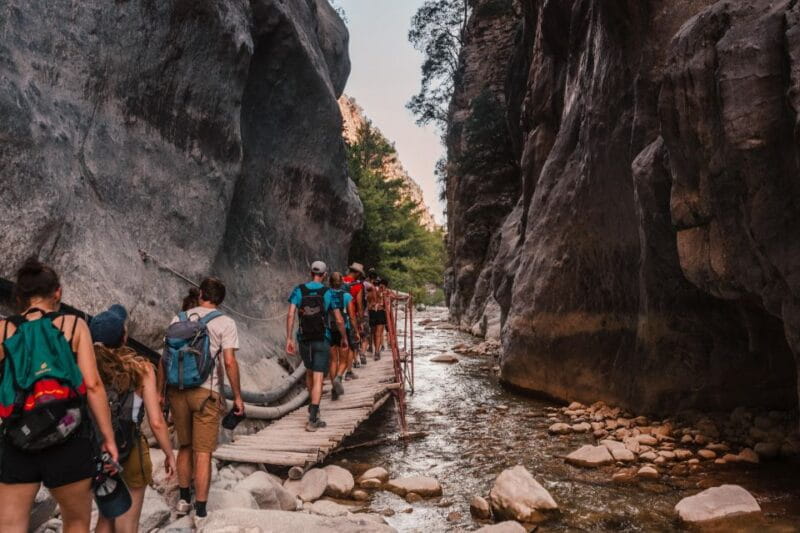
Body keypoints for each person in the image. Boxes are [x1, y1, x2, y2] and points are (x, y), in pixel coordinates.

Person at [0, 258, 119, 533]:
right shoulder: (74, 326)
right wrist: (108, 439)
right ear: (58, 292)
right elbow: (93, 386)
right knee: (76, 522)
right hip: (70, 436)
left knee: (8, 525)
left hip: (18, 439)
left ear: (19, 296)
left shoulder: (4, 330)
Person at [162, 278, 244, 525]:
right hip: (206, 393)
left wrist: (161, 392)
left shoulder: (179, 318)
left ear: (200, 294)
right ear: (220, 299)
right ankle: (200, 511)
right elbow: (229, 361)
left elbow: (164, 357)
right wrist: (238, 396)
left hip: (177, 391)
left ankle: (184, 499)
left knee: (185, 447)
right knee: (204, 453)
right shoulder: (225, 322)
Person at [91, 305, 177, 533]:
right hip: (130, 449)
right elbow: (156, 421)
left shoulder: (86, 367)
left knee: (106, 517)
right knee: (127, 525)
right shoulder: (142, 369)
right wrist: (169, 454)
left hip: (96, 451)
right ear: (124, 337)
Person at [285, 261, 348, 431]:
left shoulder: (299, 290)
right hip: (322, 338)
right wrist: (343, 337)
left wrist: (289, 339)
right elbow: (339, 319)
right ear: (325, 275)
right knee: (319, 376)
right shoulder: (327, 292)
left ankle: (313, 405)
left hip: (304, 338)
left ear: (310, 272)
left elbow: (291, 315)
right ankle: (313, 417)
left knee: (309, 371)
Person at [327, 273, 360, 401]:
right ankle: (339, 377)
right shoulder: (346, 296)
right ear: (341, 282)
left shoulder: (327, 295)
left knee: (333, 360)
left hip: (329, 330)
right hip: (343, 331)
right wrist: (356, 331)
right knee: (344, 360)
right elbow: (351, 316)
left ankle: (333, 389)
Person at [342, 263, 366, 376]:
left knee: (341, 344)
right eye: (359, 274)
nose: (360, 277)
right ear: (356, 273)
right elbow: (360, 305)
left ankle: (339, 370)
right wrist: (360, 322)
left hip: (338, 315)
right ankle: (348, 371)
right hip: (352, 316)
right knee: (352, 345)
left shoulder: (339, 281)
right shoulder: (358, 286)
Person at [367, 276, 389, 360]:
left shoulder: (370, 290)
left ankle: (374, 349)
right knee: (378, 333)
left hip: (372, 312)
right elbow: (390, 300)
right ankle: (376, 352)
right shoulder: (385, 291)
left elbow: (368, 300)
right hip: (380, 312)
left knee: (373, 332)